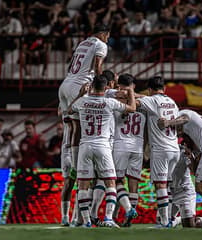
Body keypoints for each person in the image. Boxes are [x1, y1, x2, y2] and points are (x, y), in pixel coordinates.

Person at [57, 24, 110, 225]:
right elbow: (97, 65)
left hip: (65, 84)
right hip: (80, 84)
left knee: (69, 121)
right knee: (82, 122)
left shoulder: (82, 42)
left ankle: (68, 155)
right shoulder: (101, 45)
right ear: (105, 34)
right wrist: (101, 82)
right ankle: (76, 159)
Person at [68, 74, 136, 228]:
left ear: (91, 86)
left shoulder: (83, 101)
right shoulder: (109, 102)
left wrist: (80, 94)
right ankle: (108, 218)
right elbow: (132, 108)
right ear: (106, 88)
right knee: (110, 182)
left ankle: (86, 221)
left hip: (85, 145)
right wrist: (130, 92)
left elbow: (69, 110)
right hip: (103, 146)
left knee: (83, 185)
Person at [136, 76, 180, 228]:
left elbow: (135, 101)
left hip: (161, 149)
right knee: (167, 186)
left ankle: (164, 221)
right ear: (164, 89)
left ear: (149, 89)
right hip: (174, 148)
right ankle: (168, 218)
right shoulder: (173, 102)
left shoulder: (151, 100)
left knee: (160, 185)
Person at [111, 73, 145, 227]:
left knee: (116, 181)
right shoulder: (144, 102)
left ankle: (128, 209)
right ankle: (128, 217)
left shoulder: (115, 99)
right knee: (133, 184)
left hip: (120, 145)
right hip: (138, 147)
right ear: (134, 86)